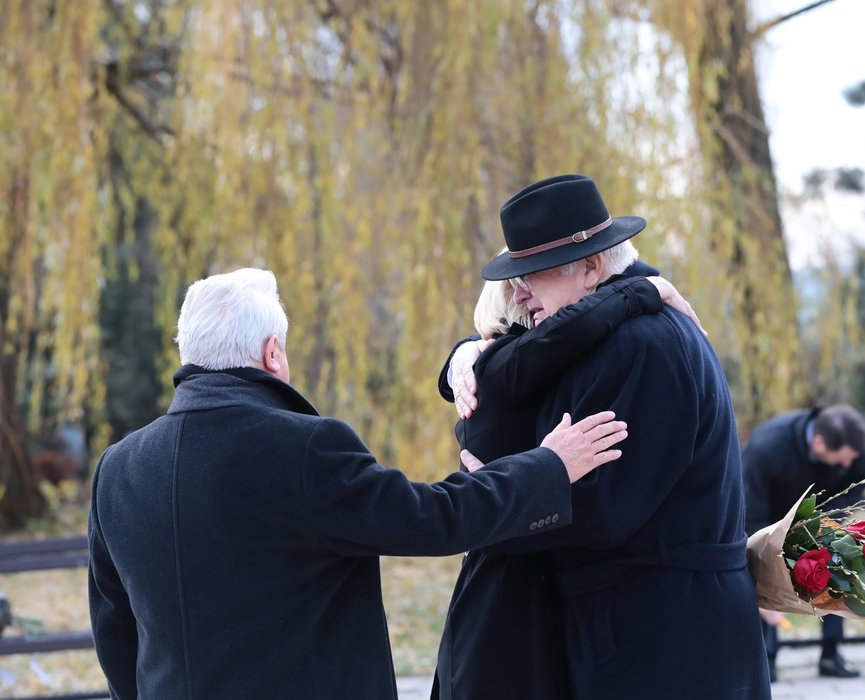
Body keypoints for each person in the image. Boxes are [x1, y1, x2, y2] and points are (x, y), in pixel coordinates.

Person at [87, 267, 629, 700]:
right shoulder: (302, 449)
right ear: (272, 352)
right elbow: (433, 520)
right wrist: (548, 466)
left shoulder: (116, 470)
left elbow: (114, 632)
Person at [443, 174, 770, 699]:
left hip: (663, 638)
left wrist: (499, 503)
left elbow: (604, 506)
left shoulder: (640, 344)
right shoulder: (613, 333)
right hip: (646, 625)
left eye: (533, 275)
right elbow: (515, 364)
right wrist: (465, 355)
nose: (518, 294)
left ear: (593, 267)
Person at [433, 270, 699, 699]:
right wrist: (645, 288)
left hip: (517, 566)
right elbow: (575, 328)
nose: (525, 292)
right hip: (513, 579)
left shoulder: (505, 364)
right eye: (515, 288)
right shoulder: (504, 366)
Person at [741, 404, 865, 681]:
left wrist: (828, 523)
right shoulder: (767, 448)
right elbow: (751, 510)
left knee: (838, 566)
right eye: (841, 460)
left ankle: (831, 654)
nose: (847, 465)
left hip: (823, 520)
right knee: (768, 576)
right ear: (819, 442)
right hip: (769, 522)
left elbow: (857, 483)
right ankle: (767, 659)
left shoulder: (852, 443)